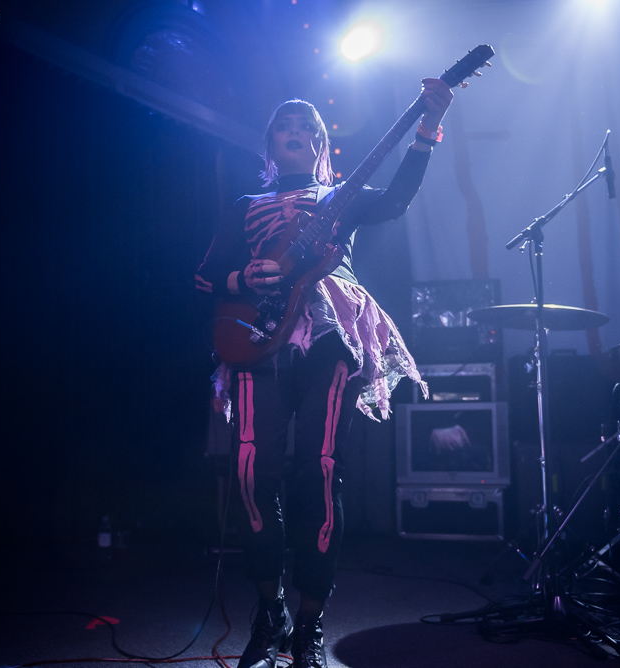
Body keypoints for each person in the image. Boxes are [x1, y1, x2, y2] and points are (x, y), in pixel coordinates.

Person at [195, 76, 456, 668]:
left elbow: (396, 200)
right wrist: (244, 280)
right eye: (285, 126)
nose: (297, 132)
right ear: (269, 148)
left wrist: (426, 130)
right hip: (257, 339)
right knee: (249, 470)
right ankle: (271, 612)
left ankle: (309, 625)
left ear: (322, 145)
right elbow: (204, 276)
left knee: (319, 470)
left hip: (328, 333)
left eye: (308, 127)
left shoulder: (344, 195)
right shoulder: (247, 208)